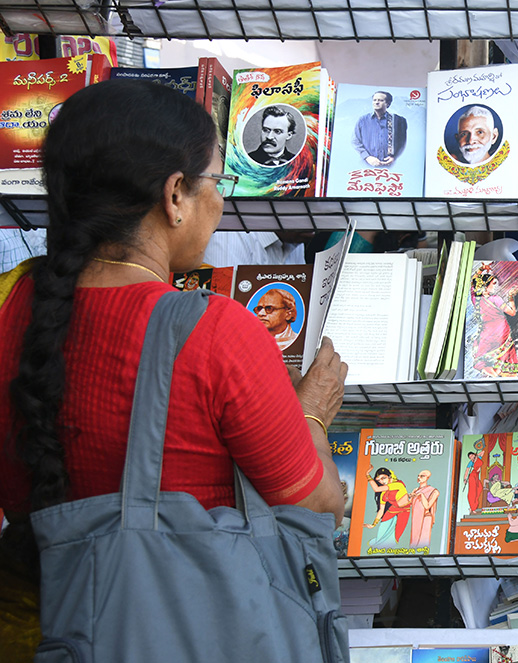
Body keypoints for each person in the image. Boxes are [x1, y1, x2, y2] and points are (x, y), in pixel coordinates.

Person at [0, 80, 346, 660]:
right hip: (187, 628)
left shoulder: (11, 305)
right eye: (217, 181)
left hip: (41, 628)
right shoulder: (216, 331)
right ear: (175, 195)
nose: (222, 201)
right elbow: (316, 504)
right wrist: (310, 411)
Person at [470, 270, 518, 377]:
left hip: (486, 334)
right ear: (485, 286)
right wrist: (511, 297)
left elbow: (472, 284)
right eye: (493, 284)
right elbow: (512, 313)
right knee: (503, 361)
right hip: (501, 333)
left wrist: (481, 270)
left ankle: (495, 377)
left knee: (484, 361)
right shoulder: (496, 299)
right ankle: (498, 378)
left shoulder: (476, 299)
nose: (495, 287)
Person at [352, 91, 407, 168]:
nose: (376, 102)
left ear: (388, 104)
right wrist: (367, 157)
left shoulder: (399, 120)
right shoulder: (362, 120)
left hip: (391, 166)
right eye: (374, 100)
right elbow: (355, 141)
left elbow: (402, 142)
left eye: (381, 100)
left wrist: (394, 157)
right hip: (367, 166)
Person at [407, 469, 439, 549]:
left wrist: (421, 495)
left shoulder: (434, 491)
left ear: (427, 478)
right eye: (418, 475)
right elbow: (410, 504)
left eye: (422, 476)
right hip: (415, 518)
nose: (419, 477)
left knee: (422, 542)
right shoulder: (415, 490)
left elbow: (427, 506)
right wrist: (410, 497)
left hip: (425, 517)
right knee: (414, 541)